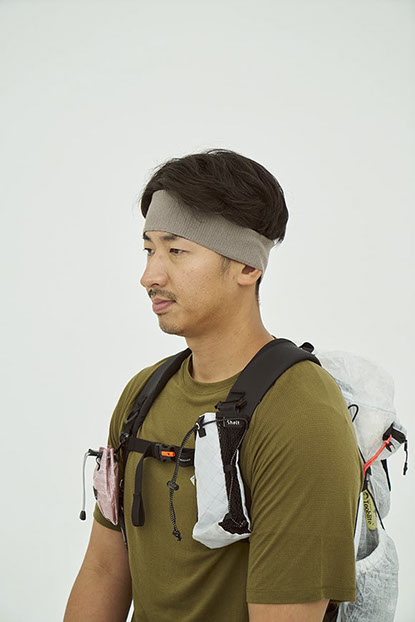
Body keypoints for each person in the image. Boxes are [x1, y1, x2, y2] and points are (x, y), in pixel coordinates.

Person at [64, 148, 363, 622]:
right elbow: (103, 571)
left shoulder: (301, 414)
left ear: (247, 267)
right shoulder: (143, 394)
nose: (149, 276)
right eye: (149, 249)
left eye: (176, 251)